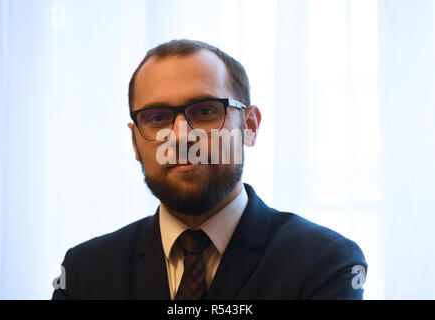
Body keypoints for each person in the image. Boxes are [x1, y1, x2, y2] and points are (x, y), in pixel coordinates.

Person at [52, 39, 367, 300]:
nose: (181, 136)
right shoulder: (86, 272)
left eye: (205, 111)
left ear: (250, 126)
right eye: (157, 117)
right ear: (136, 143)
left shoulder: (326, 262)